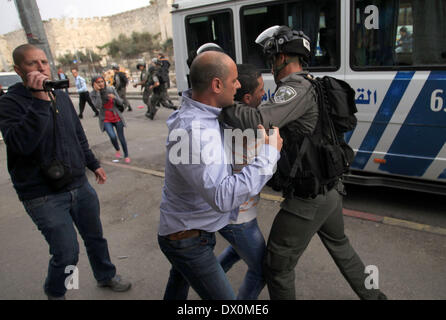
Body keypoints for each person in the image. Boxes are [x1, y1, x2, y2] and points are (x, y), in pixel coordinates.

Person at [220, 26, 387, 300]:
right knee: (341, 247)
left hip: (308, 199)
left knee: (277, 267)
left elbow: (258, 120)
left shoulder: (296, 88)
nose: (269, 63)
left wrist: (221, 103)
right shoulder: (310, 82)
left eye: (271, 56)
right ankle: (376, 297)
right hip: (329, 190)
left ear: (283, 57)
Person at [0, 44, 131, 300]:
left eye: (43, 62)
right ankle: (57, 292)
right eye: (32, 64)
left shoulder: (59, 95)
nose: (41, 68)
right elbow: (20, 145)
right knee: (66, 252)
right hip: (42, 194)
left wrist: (94, 164)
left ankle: (105, 275)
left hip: (78, 184)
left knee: (95, 238)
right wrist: (39, 101)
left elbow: (77, 135)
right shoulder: (10, 103)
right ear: (18, 70)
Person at [158, 50, 283, 300]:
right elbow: (223, 197)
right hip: (187, 239)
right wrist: (269, 154)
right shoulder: (195, 130)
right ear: (216, 85)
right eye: (234, 80)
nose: (238, 86)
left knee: (179, 280)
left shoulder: (203, 114)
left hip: (191, 231)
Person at [217, 64, 267, 300]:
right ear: (247, 98)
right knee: (261, 270)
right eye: (261, 91)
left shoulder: (224, 119)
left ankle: (206, 277)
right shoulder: (253, 133)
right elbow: (267, 169)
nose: (265, 95)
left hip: (230, 213)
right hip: (240, 218)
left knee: (238, 251)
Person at [90, 75, 131, 164]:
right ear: (94, 84)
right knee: (112, 136)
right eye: (98, 82)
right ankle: (117, 149)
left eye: (102, 81)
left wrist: (115, 97)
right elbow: (98, 106)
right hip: (105, 118)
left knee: (121, 137)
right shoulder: (93, 94)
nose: (101, 84)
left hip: (116, 116)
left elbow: (121, 102)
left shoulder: (111, 89)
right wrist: (97, 92)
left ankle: (126, 155)